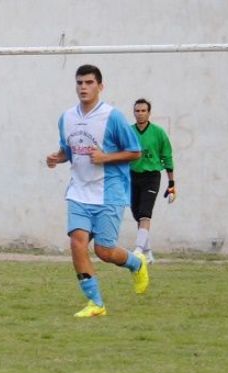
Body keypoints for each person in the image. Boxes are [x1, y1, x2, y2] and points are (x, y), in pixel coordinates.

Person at [46, 64, 149, 318]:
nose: (83, 87)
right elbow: (68, 151)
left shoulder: (112, 117)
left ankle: (136, 263)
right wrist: (56, 158)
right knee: (77, 243)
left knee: (104, 251)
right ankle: (96, 303)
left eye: (89, 83)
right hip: (78, 193)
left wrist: (105, 157)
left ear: (100, 86)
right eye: (80, 83)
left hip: (109, 193)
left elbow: (135, 152)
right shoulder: (66, 118)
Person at [129, 98, 175, 264]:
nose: (140, 114)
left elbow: (167, 157)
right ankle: (148, 252)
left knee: (145, 214)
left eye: (143, 111)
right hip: (132, 176)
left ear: (149, 113)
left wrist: (171, 184)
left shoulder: (158, 132)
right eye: (137, 111)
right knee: (136, 213)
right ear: (134, 112)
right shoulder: (129, 131)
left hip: (151, 177)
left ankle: (138, 250)